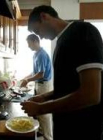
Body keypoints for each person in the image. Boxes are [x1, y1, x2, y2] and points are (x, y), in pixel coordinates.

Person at [20, 5, 103, 140]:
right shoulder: (61, 42)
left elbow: (91, 94)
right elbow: (68, 87)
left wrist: (40, 109)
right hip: (65, 128)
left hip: (83, 130)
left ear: (44, 16)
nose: (39, 36)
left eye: (37, 30)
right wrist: (44, 97)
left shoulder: (83, 31)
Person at [20, 34, 53, 140]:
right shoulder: (36, 54)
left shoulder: (42, 55)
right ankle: (42, 131)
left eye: (29, 43)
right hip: (39, 85)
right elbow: (35, 72)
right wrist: (25, 78)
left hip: (44, 85)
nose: (28, 46)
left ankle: (48, 137)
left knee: (44, 113)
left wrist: (27, 80)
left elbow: (41, 74)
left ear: (35, 41)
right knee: (39, 111)